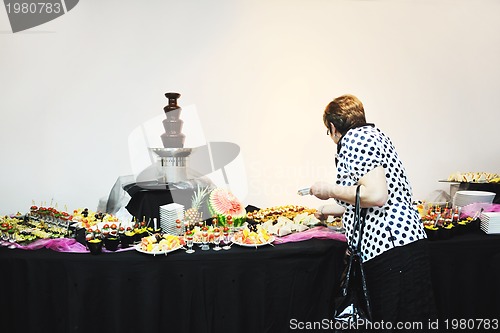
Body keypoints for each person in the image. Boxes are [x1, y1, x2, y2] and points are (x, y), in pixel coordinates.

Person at [310, 94, 436, 330]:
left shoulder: (354, 139)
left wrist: (329, 189)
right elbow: (362, 198)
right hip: (406, 244)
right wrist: (328, 209)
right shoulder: (375, 135)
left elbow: (376, 196)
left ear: (333, 127)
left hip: (390, 248)